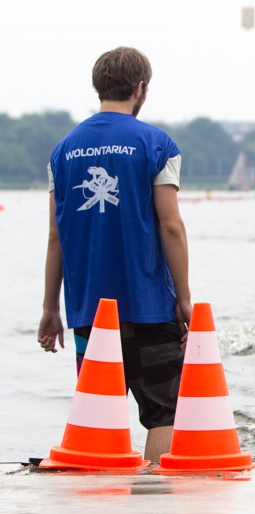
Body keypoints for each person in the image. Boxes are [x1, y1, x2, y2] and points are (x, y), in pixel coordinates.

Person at [37, 47, 191, 462]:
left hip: (88, 310)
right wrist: (185, 299)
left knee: (98, 414)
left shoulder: (62, 150)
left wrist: (51, 308)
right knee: (164, 412)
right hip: (149, 305)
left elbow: (56, 239)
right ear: (140, 89)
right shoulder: (157, 144)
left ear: (98, 86)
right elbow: (171, 225)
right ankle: (156, 504)